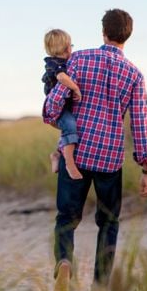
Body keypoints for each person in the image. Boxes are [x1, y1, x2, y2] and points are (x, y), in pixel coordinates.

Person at [43, 8, 147, 291]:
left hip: (78, 153)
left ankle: (64, 263)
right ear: (127, 36)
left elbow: (54, 104)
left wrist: (55, 114)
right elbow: (141, 123)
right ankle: (102, 285)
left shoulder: (79, 59)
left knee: (66, 219)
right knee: (108, 222)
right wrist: (146, 170)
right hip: (109, 158)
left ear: (103, 32)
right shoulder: (134, 74)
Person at [42, 29, 83, 180]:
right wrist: (75, 88)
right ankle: (69, 164)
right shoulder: (53, 63)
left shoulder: (67, 62)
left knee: (70, 129)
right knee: (70, 126)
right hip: (58, 108)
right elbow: (61, 78)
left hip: (65, 105)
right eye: (70, 45)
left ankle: (57, 155)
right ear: (67, 47)